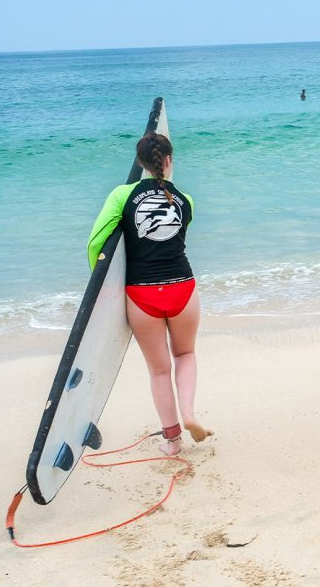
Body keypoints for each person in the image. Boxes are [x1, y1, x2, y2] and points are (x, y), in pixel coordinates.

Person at [88, 132, 210, 455]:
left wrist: (105, 291)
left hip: (143, 297)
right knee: (185, 354)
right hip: (183, 288)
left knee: (159, 370)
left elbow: (96, 244)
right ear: (169, 160)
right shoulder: (187, 200)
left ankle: (172, 442)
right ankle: (189, 413)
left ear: (140, 163)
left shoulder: (120, 196)